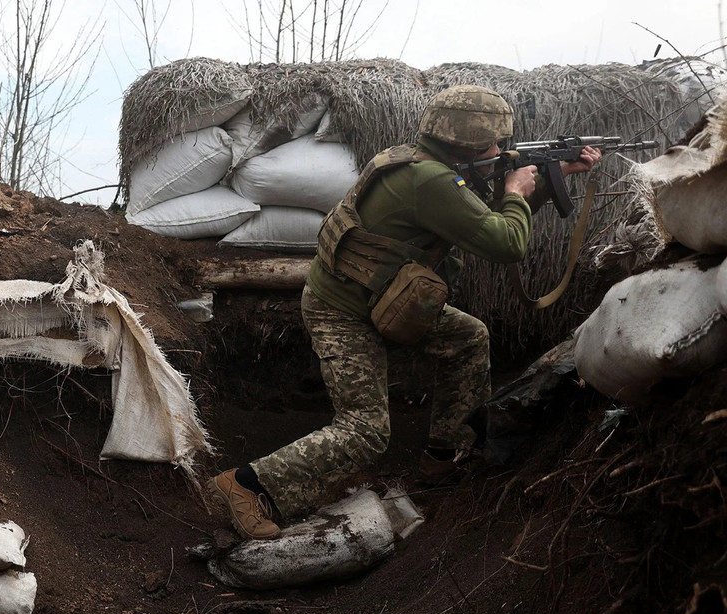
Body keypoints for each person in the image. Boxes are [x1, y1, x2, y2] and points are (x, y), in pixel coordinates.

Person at [206, 85, 601, 540]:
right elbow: (504, 242)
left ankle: (443, 457)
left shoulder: (423, 165)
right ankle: (246, 486)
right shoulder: (431, 182)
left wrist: (551, 180)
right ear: (464, 145)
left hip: (384, 299)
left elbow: (480, 223)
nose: (500, 153)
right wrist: (515, 192)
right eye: (492, 145)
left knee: (468, 338)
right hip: (342, 310)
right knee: (366, 431)